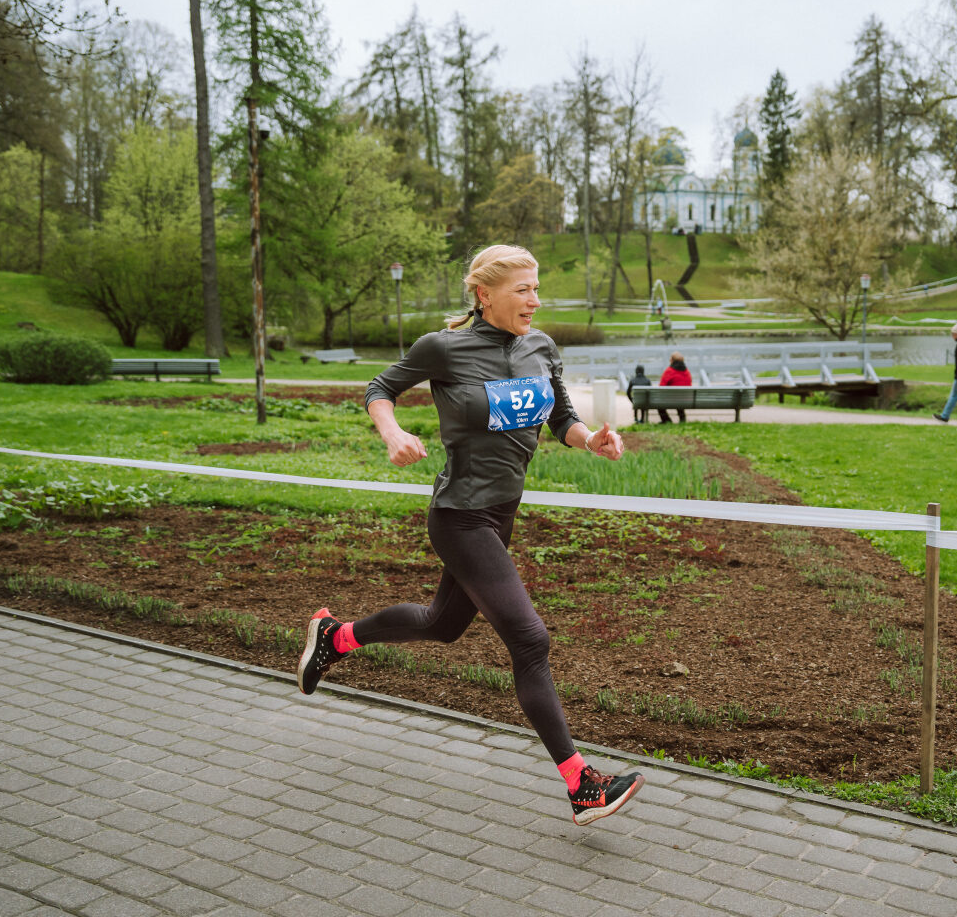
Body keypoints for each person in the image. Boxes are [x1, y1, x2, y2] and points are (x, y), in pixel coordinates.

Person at [296, 244, 645, 826]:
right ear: (485, 294)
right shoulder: (444, 347)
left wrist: (591, 440)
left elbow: (561, 417)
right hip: (460, 517)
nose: (535, 300)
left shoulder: (540, 347)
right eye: (522, 290)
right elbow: (379, 389)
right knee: (529, 640)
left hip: (501, 512)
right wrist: (393, 433)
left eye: (537, 288)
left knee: (443, 624)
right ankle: (582, 785)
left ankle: (336, 637)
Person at [657, 351, 691, 423]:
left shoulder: (669, 371)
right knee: (679, 396)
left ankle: (666, 420)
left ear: (672, 360)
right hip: (685, 399)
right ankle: (682, 419)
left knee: (658, 402)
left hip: (670, 399)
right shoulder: (687, 372)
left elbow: (661, 387)